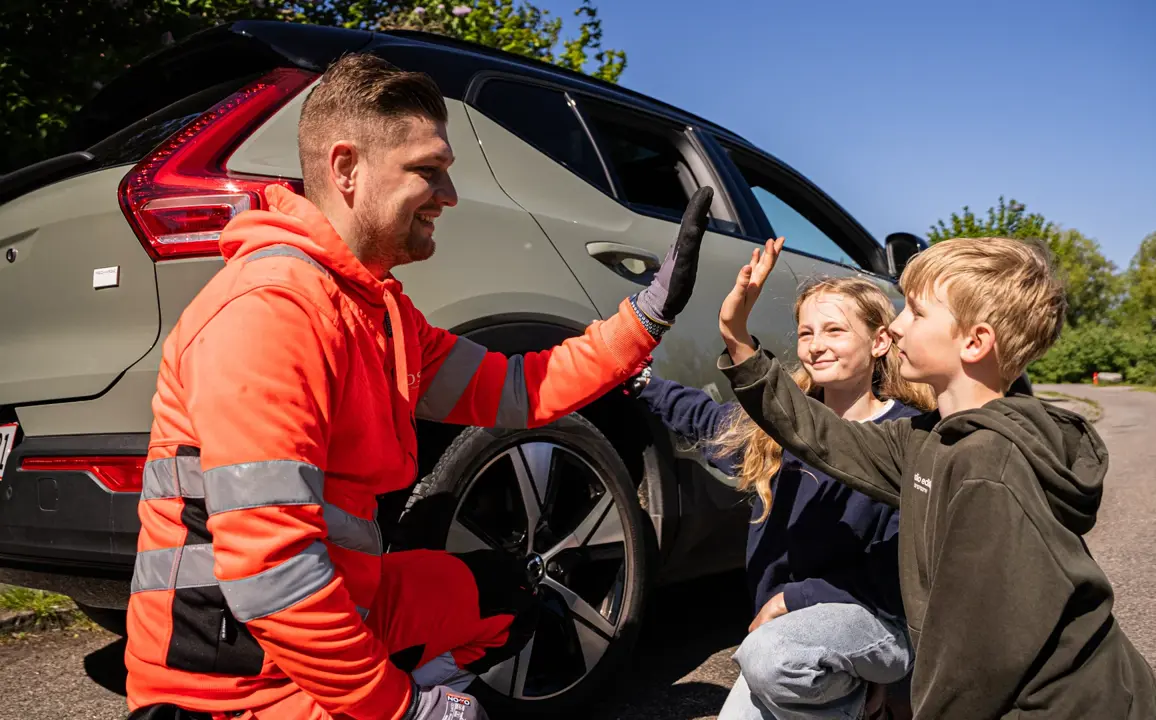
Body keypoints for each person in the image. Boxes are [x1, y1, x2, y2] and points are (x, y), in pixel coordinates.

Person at [124, 53, 714, 720]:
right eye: (428, 171)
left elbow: (516, 388)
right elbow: (273, 575)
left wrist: (646, 318)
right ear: (347, 169)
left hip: (335, 608)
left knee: (503, 593)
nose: (449, 195)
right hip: (235, 682)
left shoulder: (375, 311)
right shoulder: (273, 311)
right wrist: (402, 709)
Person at [716, 237, 1156, 719]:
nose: (897, 325)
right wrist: (738, 340)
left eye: (916, 312)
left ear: (974, 342)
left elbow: (981, 652)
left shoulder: (990, 468)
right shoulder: (930, 438)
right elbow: (822, 436)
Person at [627, 270, 932, 720]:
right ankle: (850, 697)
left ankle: (864, 690)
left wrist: (793, 598)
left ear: (880, 341)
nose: (816, 345)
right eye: (807, 333)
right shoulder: (782, 428)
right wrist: (638, 381)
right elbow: (707, 421)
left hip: (873, 618)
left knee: (769, 660)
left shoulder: (908, 436)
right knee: (765, 672)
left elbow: (897, 573)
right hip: (790, 635)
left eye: (835, 330)